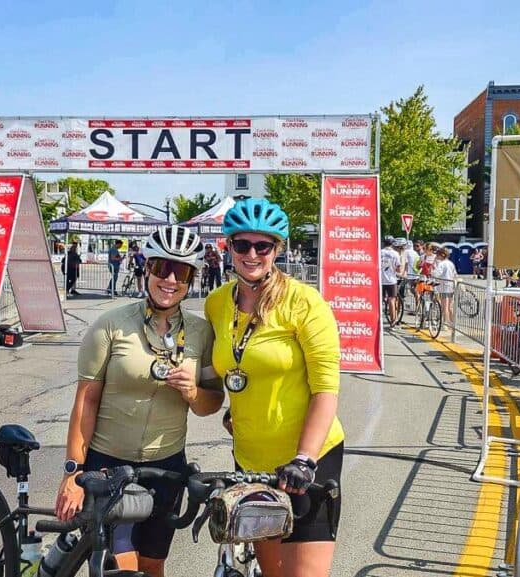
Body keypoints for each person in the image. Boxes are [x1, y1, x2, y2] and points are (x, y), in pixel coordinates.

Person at [57, 225, 223, 577]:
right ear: (146, 269)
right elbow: (85, 402)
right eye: (162, 268)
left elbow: (211, 404)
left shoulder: (201, 333)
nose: (170, 280)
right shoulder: (111, 325)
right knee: (121, 563)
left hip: (166, 467)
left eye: (181, 272)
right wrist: (73, 471)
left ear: (192, 278)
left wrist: (192, 392)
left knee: (152, 564)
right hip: (109, 465)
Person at [204, 197, 344, 577]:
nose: (252, 254)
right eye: (241, 244)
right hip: (251, 460)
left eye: (262, 245)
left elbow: (325, 390)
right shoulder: (217, 303)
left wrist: (304, 459)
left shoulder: (304, 303)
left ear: (277, 249)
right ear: (227, 246)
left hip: (307, 461)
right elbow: (228, 368)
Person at [380, 237, 403, 326]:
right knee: (392, 300)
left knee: (379, 300)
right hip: (391, 280)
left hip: (380, 280)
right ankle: (393, 320)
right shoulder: (395, 254)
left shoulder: (379, 252)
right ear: (392, 244)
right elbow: (398, 269)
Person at [432, 247, 457, 324]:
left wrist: (432, 271)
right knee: (450, 306)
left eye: (438, 255)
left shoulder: (441, 264)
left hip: (443, 286)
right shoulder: (450, 263)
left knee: (444, 306)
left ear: (441, 255)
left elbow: (436, 274)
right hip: (451, 285)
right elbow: (455, 274)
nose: (437, 256)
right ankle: (452, 322)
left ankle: (445, 322)